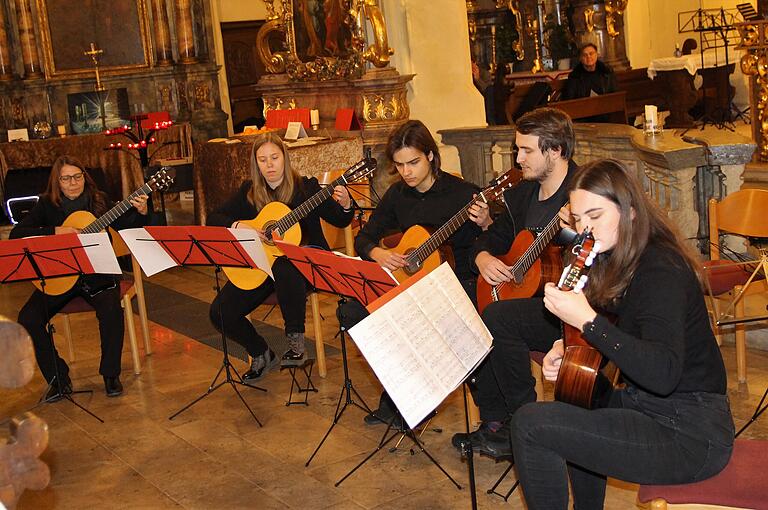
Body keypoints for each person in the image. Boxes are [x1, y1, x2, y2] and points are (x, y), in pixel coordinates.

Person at [510, 158, 734, 509]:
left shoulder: (662, 270)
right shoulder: (618, 256)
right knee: (575, 396)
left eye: (595, 217)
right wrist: (564, 345)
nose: (585, 229)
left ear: (629, 210)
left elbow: (663, 375)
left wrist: (587, 321)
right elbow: (615, 322)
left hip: (689, 432)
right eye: (579, 219)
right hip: (649, 406)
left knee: (530, 425)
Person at [451, 107, 578, 459]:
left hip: (568, 308)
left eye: (526, 150)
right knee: (462, 305)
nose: (517, 158)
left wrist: (577, 227)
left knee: (498, 319)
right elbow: (495, 236)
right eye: (516, 149)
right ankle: (494, 420)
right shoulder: (523, 194)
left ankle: (523, 421)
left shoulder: (584, 191)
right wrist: (483, 258)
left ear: (555, 151)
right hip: (529, 299)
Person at [350, 119, 492, 426]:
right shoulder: (398, 195)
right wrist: (380, 253)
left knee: (432, 320)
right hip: (414, 281)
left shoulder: (462, 193)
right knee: (356, 313)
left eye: (413, 162)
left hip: (459, 280)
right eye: (400, 165)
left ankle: (490, 417)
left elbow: (496, 235)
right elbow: (364, 238)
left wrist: (485, 222)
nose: (406, 172)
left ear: (430, 155)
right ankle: (401, 396)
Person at [206, 132, 353, 381]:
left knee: (286, 265)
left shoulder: (307, 189)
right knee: (220, 312)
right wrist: (243, 226)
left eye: (274, 157)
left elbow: (340, 219)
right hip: (266, 267)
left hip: (307, 265)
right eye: (262, 160)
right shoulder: (249, 193)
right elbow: (213, 219)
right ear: (256, 164)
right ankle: (261, 352)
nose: (270, 164)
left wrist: (347, 204)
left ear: (285, 158)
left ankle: (296, 342)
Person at [12, 155, 149, 400]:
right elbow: (16, 234)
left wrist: (141, 212)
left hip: (98, 276)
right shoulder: (46, 205)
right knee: (28, 318)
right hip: (61, 276)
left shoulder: (100, 201)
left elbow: (128, 228)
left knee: (111, 311)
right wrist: (55, 231)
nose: (73, 183)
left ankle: (110, 375)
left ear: (84, 178)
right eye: (66, 178)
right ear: (57, 182)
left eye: (77, 176)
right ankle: (58, 378)